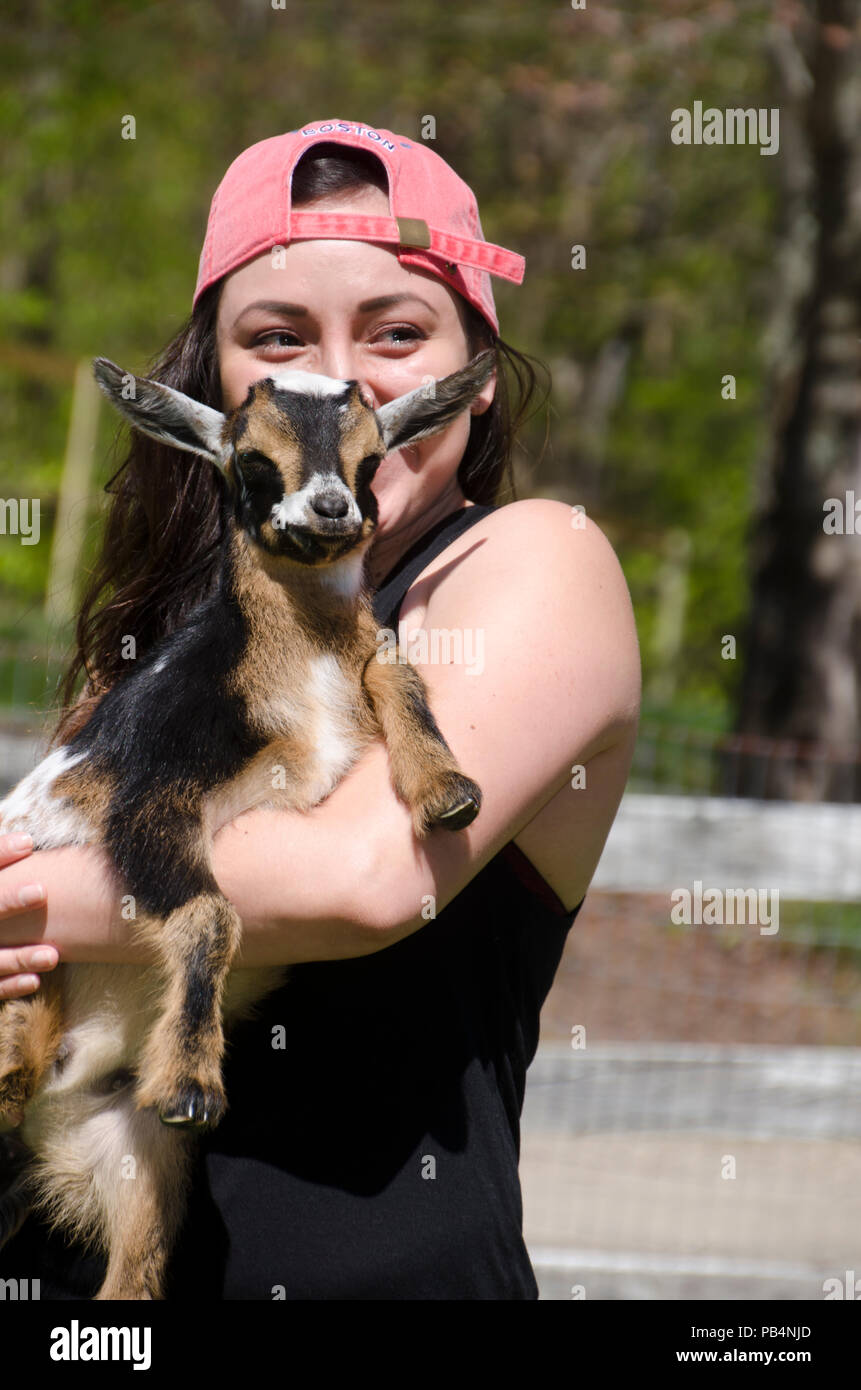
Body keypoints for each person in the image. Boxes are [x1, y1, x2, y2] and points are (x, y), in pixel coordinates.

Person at [0, 119, 641, 1299]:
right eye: (277, 336)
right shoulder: (180, 638)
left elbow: (365, 878)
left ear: (478, 381)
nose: (335, 381)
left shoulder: (530, 560)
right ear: (220, 390)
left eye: (397, 333)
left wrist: (20, 897)